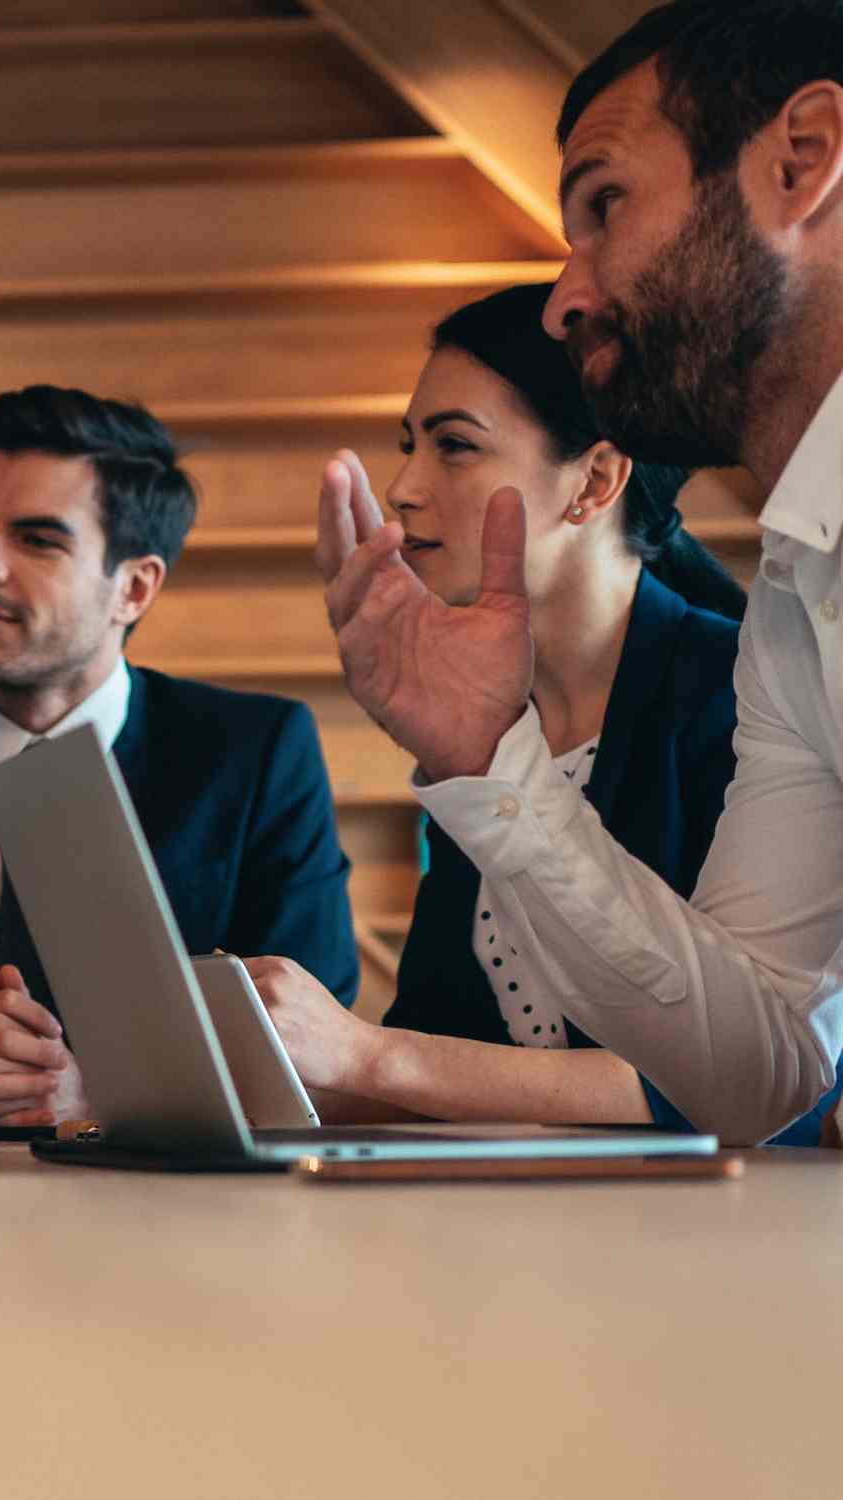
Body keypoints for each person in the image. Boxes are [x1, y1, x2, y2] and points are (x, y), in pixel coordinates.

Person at [315, 0, 843, 1146]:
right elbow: (768, 1074)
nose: (567, 295)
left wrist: (371, 1055)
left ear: (801, 160)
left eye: (605, 205)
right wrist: (492, 769)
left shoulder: (733, 645)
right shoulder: (797, 608)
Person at [251, 283, 836, 1145]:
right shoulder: (484, 717)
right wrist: (151, 1090)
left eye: (454, 446)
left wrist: (371, 1056)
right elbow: (443, 1039)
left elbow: (741, 1086)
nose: (403, 488)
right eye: (407, 446)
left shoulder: (736, 691)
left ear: (596, 479)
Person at [0, 385, 360, 1129]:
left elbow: (314, 1053)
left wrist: (95, 1096)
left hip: (181, 1223)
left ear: (133, 587)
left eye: (36, 540)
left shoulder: (255, 756)